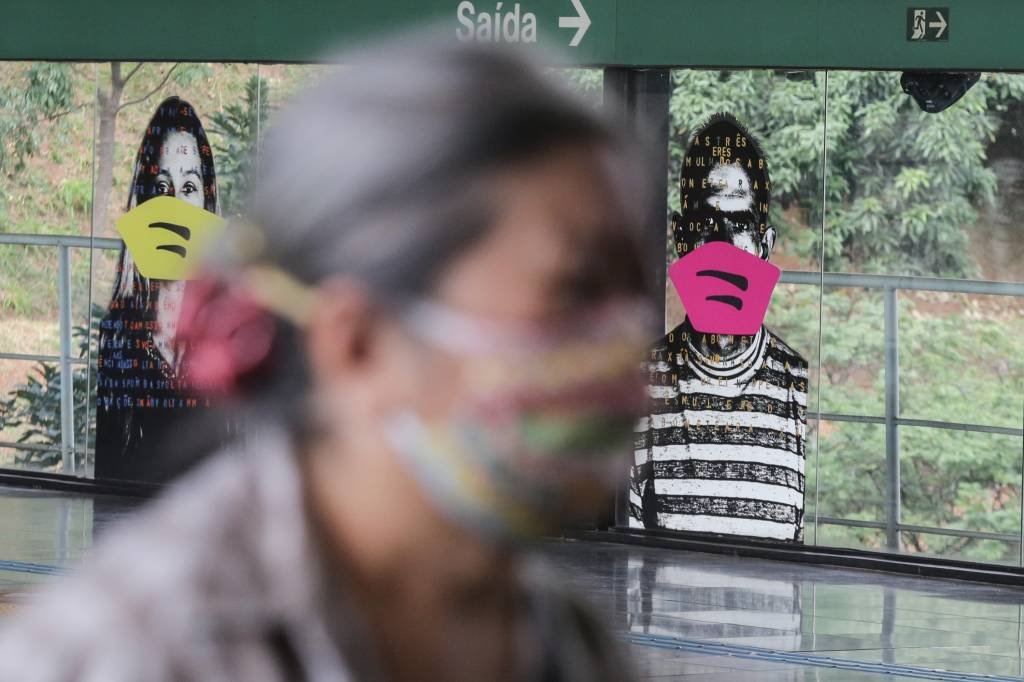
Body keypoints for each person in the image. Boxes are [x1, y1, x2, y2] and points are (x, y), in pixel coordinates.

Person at [0, 37, 651, 681]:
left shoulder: (569, 646)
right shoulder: (123, 653)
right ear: (357, 342)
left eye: (635, 292)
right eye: (578, 291)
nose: (626, 341)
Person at [630, 113, 809, 542]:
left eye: (740, 224)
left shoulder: (796, 381)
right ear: (680, 238)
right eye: (706, 225)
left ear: (764, 245)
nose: (724, 245)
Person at [95, 96, 221, 482]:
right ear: (143, 198)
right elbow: (108, 471)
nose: (174, 205)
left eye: (189, 186)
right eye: (162, 186)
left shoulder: (227, 329)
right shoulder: (118, 333)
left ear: (207, 200)